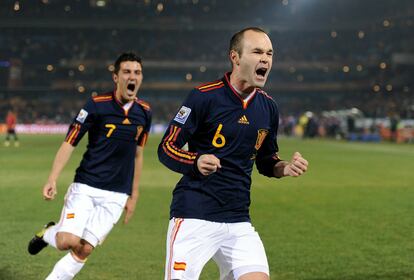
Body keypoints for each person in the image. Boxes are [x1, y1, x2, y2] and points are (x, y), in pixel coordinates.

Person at [158, 27, 309, 280]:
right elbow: (166, 147)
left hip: (238, 219)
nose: (265, 59)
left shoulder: (268, 107)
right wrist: (195, 160)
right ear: (235, 57)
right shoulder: (203, 97)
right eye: (257, 51)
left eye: (270, 53)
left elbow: (266, 160)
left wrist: (284, 167)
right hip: (194, 215)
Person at [27, 52, 152, 280]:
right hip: (87, 185)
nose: (132, 77)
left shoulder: (145, 112)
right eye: (126, 72)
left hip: (117, 194)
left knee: (84, 249)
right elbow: (70, 142)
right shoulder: (96, 105)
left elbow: (138, 154)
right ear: (116, 77)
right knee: (68, 241)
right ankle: (49, 233)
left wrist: (133, 194)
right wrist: (52, 178)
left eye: (137, 72)